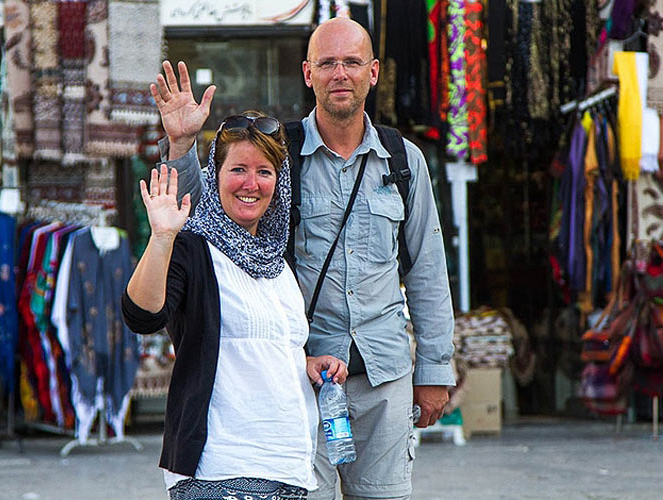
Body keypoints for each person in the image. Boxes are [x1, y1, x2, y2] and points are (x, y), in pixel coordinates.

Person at [151, 17, 455, 500]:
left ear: (373, 72)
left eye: (352, 62)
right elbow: (203, 220)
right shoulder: (279, 155)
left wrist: (435, 371)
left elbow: (428, 272)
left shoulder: (403, 160)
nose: (341, 73)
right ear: (307, 73)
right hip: (300, 378)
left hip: (385, 378)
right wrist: (183, 146)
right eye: (327, 63)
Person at [121, 111, 348, 500]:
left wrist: (305, 364)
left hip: (287, 467)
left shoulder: (277, 260)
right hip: (220, 470)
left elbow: (256, 346)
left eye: (264, 171)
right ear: (215, 176)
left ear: (280, 181)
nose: (251, 184)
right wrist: (161, 238)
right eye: (238, 169)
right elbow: (141, 315)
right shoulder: (193, 247)